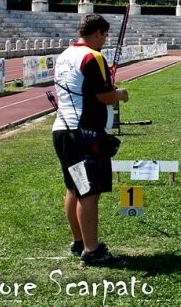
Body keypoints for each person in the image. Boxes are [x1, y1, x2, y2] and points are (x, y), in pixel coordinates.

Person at [52, 14, 129, 267]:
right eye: (104, 35)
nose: (105, 41)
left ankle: (79, 240)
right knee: (88, 191)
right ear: (97, 33)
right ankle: (92, 250)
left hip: (62, 131)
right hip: (83, 134)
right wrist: (120, 94)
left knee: (74, 187)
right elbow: (104, 96)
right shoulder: (92, 56)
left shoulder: (64, 56)